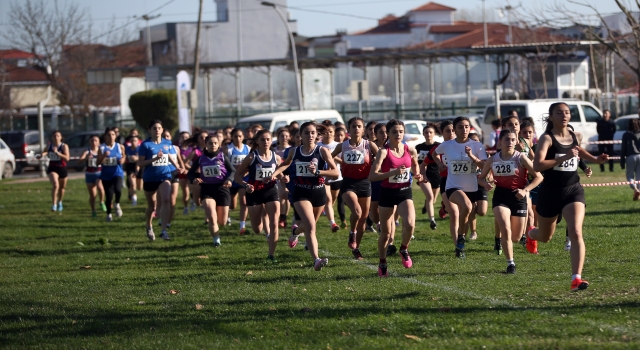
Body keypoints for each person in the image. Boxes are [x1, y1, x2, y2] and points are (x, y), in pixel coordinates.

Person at [528, 102, 609, 291]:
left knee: (576, 231)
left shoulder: (572, 135)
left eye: (567, 113)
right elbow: (538, 165)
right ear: (551, 117)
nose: (564, 116)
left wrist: (595, 159)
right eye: (559, 113)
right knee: (545, 236)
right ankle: (532, 233)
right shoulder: (546, 139)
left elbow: (577, 150)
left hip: (573, 189)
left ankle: (576, 278)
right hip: (550, 192)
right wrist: (563, 157)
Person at [271, 122, 339, 271]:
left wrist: (318, 172)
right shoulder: (294, 152)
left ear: (317, 135)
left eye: (313, 133)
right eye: (306, 133)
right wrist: (274, 174)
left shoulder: (322, 151)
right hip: (300, 192)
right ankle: (316, 259)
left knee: (308, 225)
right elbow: (285, 164)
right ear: (300, 135)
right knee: (311, 226)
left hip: (319, 192)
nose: (310, 136)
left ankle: (295, 232)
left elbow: (335, 173)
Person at [478, 129, 543, 274]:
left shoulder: (521, 158)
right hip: (501, 196)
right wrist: (486, 184)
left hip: (518, 196)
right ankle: (510, 264)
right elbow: (481, 178)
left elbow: (539, 177)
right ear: (500, 141)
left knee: (516, 237)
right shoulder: (493, 159)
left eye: (513, 140)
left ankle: (529, 236)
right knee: (505, 229)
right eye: (507, 140)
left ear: (517, 142)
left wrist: (525, 190)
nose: (510, 143)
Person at [369, 119, 422, 277]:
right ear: (388, 134)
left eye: (400, 131)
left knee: (410, 224)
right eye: (394, 132)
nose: (398, 134)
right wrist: (392, 173)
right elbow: (372, 176)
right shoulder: (383, 152)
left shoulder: (409, 148)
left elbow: (413, 164)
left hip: (404, 191)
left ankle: (404, 248)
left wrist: (418, 174)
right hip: (387, 192)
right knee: (385, 233)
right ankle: (382, 262)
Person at [434, 117, 487, 258]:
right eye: (460, 127)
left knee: (468, 212)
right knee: (467, 207)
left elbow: (484, 166)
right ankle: (461, 238)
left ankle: (460, 241)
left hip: (472, 188)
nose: (464, 130)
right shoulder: (447, 145)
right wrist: (439, 164)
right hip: (452, 186)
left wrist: (471, 156)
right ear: (455, 129)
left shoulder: (477, 145)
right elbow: (434, 153)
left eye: (466, 127)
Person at [331, 117, 379, 260]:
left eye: (359, 126)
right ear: (349, 129)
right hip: (348, 183)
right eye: (353, 126)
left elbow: (383, 159)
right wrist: (330, 169)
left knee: (363, 219)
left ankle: (356, 248)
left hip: (365, 183)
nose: (356, 129)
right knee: (357, 212)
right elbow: (328, 158)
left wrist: (378, 163)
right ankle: (352, 232)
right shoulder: (342, 146)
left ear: (363, 129)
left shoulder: (369, 145)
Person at [235, 130, 281, 261]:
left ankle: (271, 255)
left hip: (271, 191)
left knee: (274, 223)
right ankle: (261, 218)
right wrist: (245, 185)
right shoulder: (251, 157)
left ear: (271, 140)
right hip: (254, 193)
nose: (266, 142)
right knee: (257, 229)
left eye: (268, 139)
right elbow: (237, 175)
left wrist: (284, 177)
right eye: (262, 140)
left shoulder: (275, 157)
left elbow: (281, 170)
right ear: (257, 142)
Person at [138, 120, 182, 241]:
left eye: (159, 128)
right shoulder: (145, 145)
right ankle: (149, 225)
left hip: (165, 175)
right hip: (150, 178)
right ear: (149, 130)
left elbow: (167, 155)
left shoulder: (167, 143)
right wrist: (154, 159)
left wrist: (176, 165)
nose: (157, 130)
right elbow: (140, 163)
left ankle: (163, 230)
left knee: (166, 199)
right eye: (154, 128)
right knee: (151, 207)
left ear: (162, 130)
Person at [190, 135, 235, 247]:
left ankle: (217, 230)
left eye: (215, 143)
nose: (213, 145)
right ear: (206, 145)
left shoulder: (223, 157)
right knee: (211, 215)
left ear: (219, 144)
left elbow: (233, 171)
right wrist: (194, 179)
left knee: (222, 222)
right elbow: (190, 173)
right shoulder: (200, 158)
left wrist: (229, 179)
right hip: (207, 188)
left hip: (222, 188)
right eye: (210, 143)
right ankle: (216, 240)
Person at [430, 121, 459, 243]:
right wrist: (439, 163)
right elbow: (432, 156)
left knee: (466, 212)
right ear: (441, 132)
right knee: (455, 213)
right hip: (447, 182)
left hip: (463, 181)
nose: (451, 134)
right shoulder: (439, 148)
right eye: (448, 131)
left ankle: (444, 207)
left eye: (453, 131)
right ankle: (458, 244)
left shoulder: (462, 146)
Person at [157, 130, 186, 229]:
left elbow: (180, 160)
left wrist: (183, 168)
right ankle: (162, 218)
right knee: (162, 199)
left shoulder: (175, 148)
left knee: (172, 200)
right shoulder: (159, 148)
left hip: (174, 174)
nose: (166, 138)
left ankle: (168, 222)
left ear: (171, 137)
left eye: (168, 136)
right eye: (164, 136)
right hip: (163, 174)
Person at [97, 127, 126, 222]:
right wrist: (104, 156)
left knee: (118, 190)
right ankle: (109, 214)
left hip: (117, 173)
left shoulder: (120, 146)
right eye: (109, 135)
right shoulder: (101, 148)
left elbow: (124, 156)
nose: (111, 137)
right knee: (109, 197)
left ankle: (117, 204)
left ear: (115, 136)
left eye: (113, 134)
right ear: (105, 136)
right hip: (106, 175)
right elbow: (98, 163)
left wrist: (123, 160)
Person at [319, 122, 343, 232]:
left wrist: (331, 155)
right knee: (328, 200)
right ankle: (332, 223)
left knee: (332, 201)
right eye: (326, 132)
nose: (328, 134)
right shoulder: (318, 146)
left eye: (331, 132)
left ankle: (326, 213)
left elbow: (343, 162)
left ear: (334, 134)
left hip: (336, 177)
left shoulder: (338, 145)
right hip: (323, 178)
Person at [416, 123, 440, 230]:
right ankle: (432, 220)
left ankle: (427, 205)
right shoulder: (419, 147)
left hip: (437, 174)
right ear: (423, 134)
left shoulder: (439, 146)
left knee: (432, 200)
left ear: (434, 134)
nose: (428, 134)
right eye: (426, 132)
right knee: (430, 197)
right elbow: (416, 162)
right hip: (424, 175)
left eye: (430, 132)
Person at [227, 128, 250, 234]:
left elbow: (250, 163)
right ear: (232, 137)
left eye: (240, 136)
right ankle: (227, 216)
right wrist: (234, 168)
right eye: (235, 136)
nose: (238, 138)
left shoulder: (247, 148)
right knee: (232, 204)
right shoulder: (228, 149)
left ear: (243, 137)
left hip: (243, 179)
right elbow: (224, 165)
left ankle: (242, 226)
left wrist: (246, 170)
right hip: (232, 179)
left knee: (244, 202)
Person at [41, 131, 69, 212]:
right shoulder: (50, 145)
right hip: (52, 168)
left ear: (61, 137)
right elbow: (45, 151)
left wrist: (57, 153)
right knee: (56, 185)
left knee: (62, 188)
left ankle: (60, 201)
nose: (56, 137)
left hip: (62, 168)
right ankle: (54, 204)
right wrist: (42, 154)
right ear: (52, 137)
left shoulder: (64, 146)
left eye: (58, 136)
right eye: (54, 136)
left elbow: (67, 158)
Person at [78, 135, 106, 217]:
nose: (94, 142)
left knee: (100, 187)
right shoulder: (86, 151)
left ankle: (101, 202)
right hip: (89, 175)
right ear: (89, 142)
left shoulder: (101, 151)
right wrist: (86, 158)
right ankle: (93, 211)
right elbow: (79, 162)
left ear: (99, 142)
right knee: (93, 196)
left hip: (99, 173)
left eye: (96, 140)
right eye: (92, 141)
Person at [272, 128, 291, 228]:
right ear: (278, 138)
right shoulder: (274, 150)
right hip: (276, 176)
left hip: (288, 176)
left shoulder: (291, 149)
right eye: (282, 136)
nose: (284, 138)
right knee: (280, 196)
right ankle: (281, 217)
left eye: (286, 136)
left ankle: (283, 218)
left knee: (286, 196)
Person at [621, 118, 640, 200]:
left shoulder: (625, 135)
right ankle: (638, 192)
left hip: (630, 156)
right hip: (639, 155)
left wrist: (622, 160)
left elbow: (623, 148)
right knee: (639, 177)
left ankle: (635, 189)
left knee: (630, 176)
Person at [177, 132, 194, 214]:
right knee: (185, 192)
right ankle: (186, 207)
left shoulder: (193, 148)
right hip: (182, 172)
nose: (185, 139)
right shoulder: (177, 149)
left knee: (192, 189)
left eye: (186, 137)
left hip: (191, 171)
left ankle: (193, 200)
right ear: (180, 138)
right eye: (183, 137)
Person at [124, 135, 140, 206]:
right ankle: (134, 199)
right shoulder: (127, 149)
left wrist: (137, 159)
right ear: (130, 142)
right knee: (132, 184)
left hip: (140, 166)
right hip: (130, 167)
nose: (133, 142)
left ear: (138, 142)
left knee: (140, 187)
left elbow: (142, 160)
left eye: (135, 141)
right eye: (132, 141)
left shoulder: (140, 149)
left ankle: (133, 193)